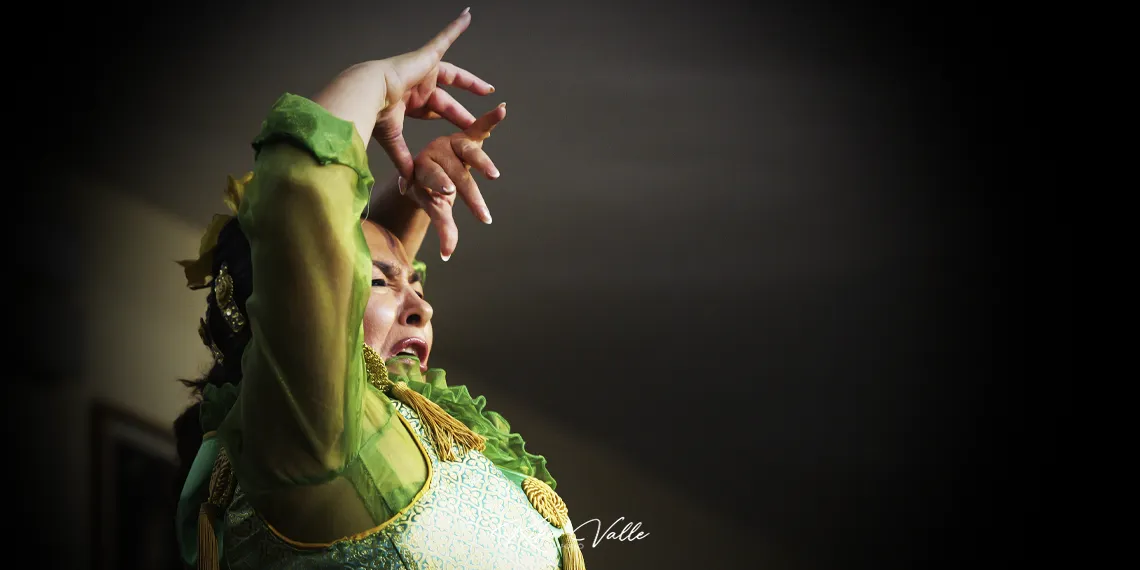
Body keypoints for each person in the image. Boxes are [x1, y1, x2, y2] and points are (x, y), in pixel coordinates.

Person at [172, 9, 585, 570]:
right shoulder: (312, 436)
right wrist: (374, 82)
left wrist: (412, 196)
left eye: (414, 284)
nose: (424, 308)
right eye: (376, 281)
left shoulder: (387, 438)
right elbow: (307, 218)